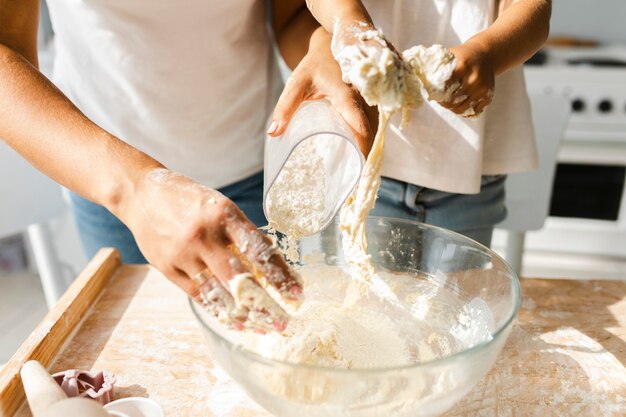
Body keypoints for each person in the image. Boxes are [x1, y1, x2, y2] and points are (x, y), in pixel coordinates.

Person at [0, 0, 375, 330]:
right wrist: (135, 190)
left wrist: (323, 45)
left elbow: (291, 12)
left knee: (278, 338)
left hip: (255, 173)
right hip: (107, 180)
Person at [271, 0, 551, 247]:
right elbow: (296, 14)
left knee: (454, 301)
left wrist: (488, 53)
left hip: (468, 166)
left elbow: (533, 8)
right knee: (365, 302)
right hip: (359, 162)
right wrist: (348, 24)